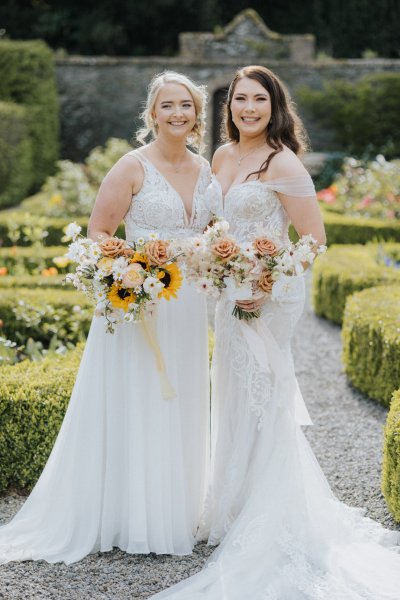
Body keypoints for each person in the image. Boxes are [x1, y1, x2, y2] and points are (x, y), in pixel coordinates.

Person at [151, 66, 400, 599]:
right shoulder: (220, 157)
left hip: (268, 298)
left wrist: (266, 280)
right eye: (240, 99)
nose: (248, 109)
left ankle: (270, 512)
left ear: (275, 106)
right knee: (234, 394)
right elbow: (212, 227)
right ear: (229, 105)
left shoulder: (283, 162)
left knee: (266, 397)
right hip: (227, 295)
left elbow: (313, 240)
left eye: (259, 100)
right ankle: (231, 506)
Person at [0, 71, 212, 565]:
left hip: (188, 304)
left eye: (186, 105)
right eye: (168, 106)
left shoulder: (205, 169)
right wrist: (132, 270)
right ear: (152, 114)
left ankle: (176, 510)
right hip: (138, 304)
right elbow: (99, 230)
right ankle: (131, 517)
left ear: (197, 114)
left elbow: (208, 230)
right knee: (138, 399)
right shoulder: (131, 166)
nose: (178, 113)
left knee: (181, 397)